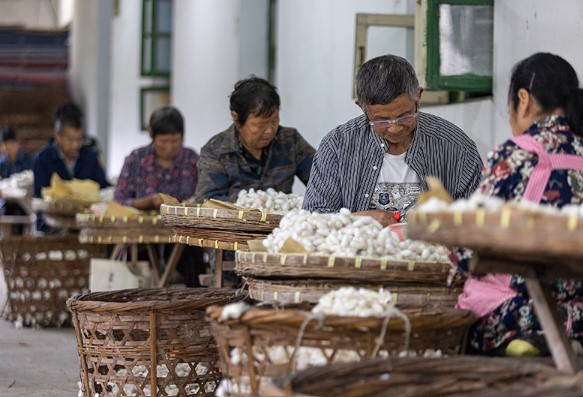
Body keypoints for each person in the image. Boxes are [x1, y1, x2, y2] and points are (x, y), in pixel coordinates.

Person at [456, 52, 583, 357]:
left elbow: (470, 251)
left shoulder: (516, 155)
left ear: (523, 100)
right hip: (578, 317)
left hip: (523, 314)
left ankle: (528, 340)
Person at [302, 55, 483, 226]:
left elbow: (483, 217)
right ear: (362, 108)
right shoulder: (338, 146)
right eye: (382, 120)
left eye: (405, 116)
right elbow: (313, 217)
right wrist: (357, 219)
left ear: (418, 98)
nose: (395, 128)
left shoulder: (456, 147)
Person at [114, 105, 205, 287]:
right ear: (151, 135)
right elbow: (119, 200)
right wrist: (148, 202)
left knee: (190, 260)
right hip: (142, 236)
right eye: (163, 141)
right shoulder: (136, 159)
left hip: (182, 236)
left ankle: (194, 306)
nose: (169, 147)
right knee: (141, 264)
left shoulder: (192, 159)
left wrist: (189, 203)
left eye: (175, 141)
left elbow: (204, 195)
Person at [194, 76, 316, 203]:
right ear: (236, 118)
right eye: (260, 125)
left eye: (274, 121)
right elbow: (207, 201)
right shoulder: (216, 151)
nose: (269, 130)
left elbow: (325, 180)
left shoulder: (291, 141)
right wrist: (251, 203)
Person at [33, 101, 110, 198]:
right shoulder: (43, 159)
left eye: (79, 139)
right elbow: (39, 194)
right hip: (53, 211)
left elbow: (103, 188)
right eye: (70, 140)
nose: (75, 145)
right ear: (57, 135)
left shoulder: (91, 157)